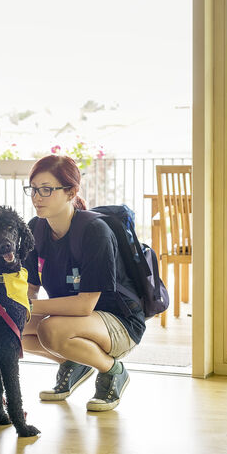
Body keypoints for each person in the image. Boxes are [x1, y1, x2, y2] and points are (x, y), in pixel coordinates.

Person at [21, 155, 146, 412]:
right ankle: (76, 362)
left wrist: (29, 306)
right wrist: (16, 307)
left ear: (71, 192)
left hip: (118, 321)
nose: (37, 197)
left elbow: (84, 306)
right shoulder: (36, 228)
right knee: (12, 329)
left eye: (46, 189)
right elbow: (30, 287)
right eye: (33, 189)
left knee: (50, 330)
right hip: (75, 320)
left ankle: (113, 371)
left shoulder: (94, 231)